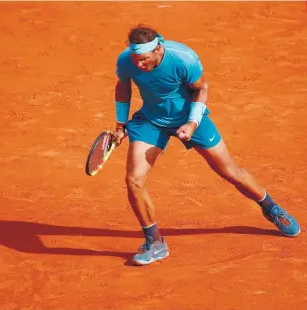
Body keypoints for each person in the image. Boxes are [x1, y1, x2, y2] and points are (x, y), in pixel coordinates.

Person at [112, 25, 300, 266]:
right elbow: (123, 85)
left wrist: (192, 123)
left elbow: (201, 89)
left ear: (158, 49)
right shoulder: (127, 61)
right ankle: (155, 242)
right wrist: (120, 124)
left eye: (144, 59)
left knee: (230, 171)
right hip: (151, 120)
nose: (139, 65)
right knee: (134, 180)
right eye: (135, 59)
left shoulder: (184, 59)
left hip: (190, 116)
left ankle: (270, 207)